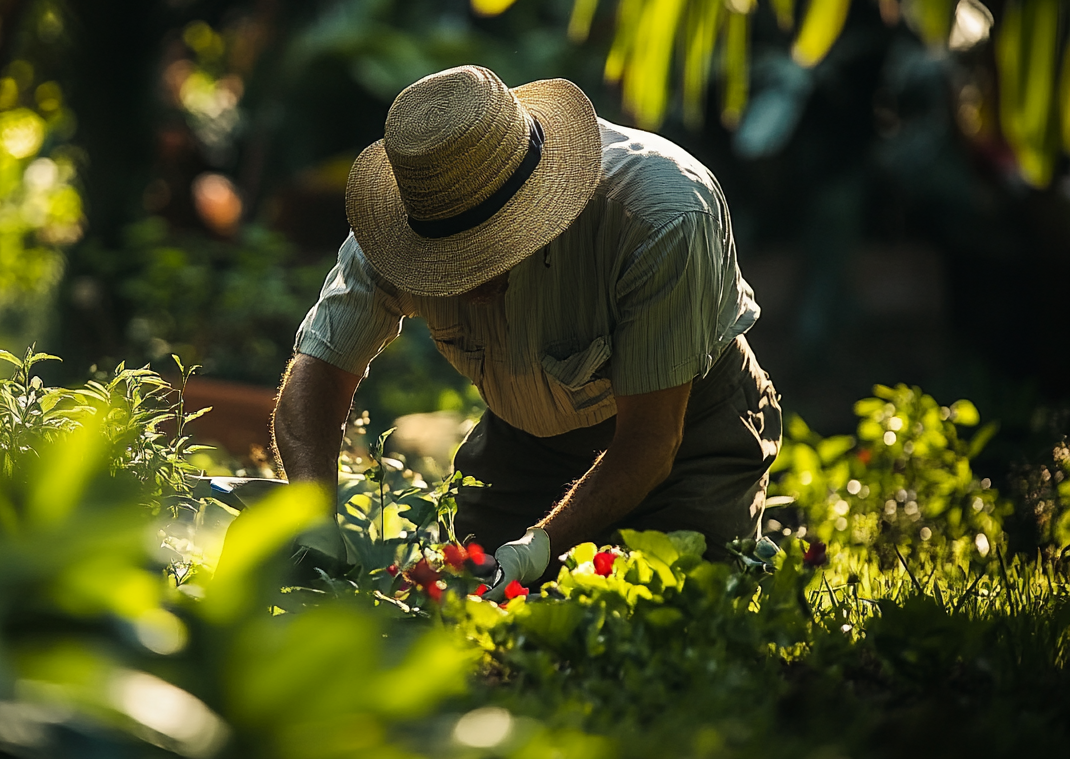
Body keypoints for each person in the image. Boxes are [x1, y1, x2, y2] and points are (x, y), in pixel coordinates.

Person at [270, 65, 781, 599]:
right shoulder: (398, 231)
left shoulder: (661, 218)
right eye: (444, 261)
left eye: (482, 253)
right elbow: (318, 372)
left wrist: (537, 547)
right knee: (459, 608)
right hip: (527, 443)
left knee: (673, 612)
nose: (463, 277)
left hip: (688, 430)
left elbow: (650, 442)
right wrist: (312, 514)